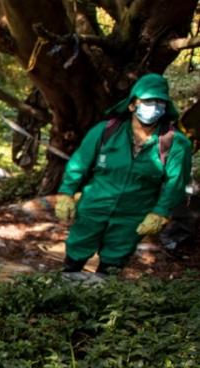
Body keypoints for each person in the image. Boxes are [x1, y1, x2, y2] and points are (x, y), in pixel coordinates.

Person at [56, 73, 191, 275]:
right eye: (147, 101)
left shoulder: (175, 143)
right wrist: (66, 193)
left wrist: (160, 212)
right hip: (94, 206)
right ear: (132, 105)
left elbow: (176, 183)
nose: (153, 107)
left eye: (159, 102)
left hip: (133, 214)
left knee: (112, 264)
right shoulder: (104, 131)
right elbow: (79, 164)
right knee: (75, 255)